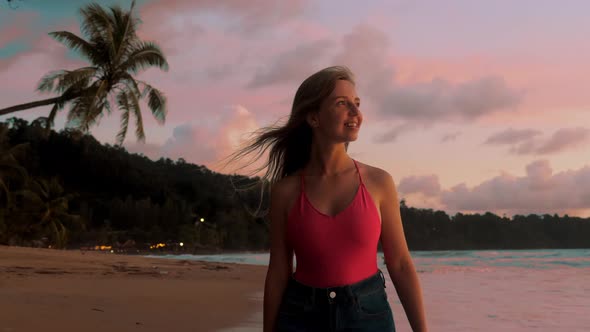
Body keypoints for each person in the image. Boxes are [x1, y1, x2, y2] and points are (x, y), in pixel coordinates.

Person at [226, 66, 427, 331]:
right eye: (342, 104)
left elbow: (400, 263)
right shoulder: (286, 192)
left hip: (368, 315)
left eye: (356, 103)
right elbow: (278, 271)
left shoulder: (379, 183)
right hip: (300, 316)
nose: (356, 113)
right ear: (313, 117)